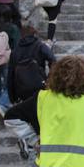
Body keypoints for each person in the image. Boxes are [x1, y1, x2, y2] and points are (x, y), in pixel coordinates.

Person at [6, 24, 55, 159]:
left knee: (25, 114)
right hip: (38, 85)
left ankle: (27, 139)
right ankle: (38, 142)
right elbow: (52, 59)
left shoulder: (15, 50)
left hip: (21, 88)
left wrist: (12, 95)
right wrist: (50, 78)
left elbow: (10, 74)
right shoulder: (39, 45)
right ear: (35, 34)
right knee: (40, 115)